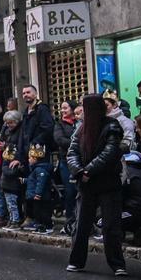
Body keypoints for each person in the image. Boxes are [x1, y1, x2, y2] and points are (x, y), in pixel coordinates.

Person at [66, 94, 127, 275]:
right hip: (86, 184)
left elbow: (110, 152)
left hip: (107, 182)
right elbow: (72, 152)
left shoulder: (112, 126)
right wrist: (78, 171)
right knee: (82, 225)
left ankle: (117, 264)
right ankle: (76, 261)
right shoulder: (81, 130)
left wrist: (88, 171)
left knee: (110, 226)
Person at [52, 99, 79, 232]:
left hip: (80, 160)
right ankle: (70, 220)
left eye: (65, 108)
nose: (62, 111)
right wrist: (76, 143)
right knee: (70, 191)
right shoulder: (59, 125)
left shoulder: (79, 123)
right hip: (66, 161)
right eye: (61, 108)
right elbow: (60, 140)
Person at [22, 144, 53, 232]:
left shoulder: (40, 169)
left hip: (41, 197)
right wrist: (24, 180)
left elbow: (41, 182)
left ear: (35, 159)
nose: (28, 160)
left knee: (43, 213)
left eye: (30, 158)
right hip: (36, 196)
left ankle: (47, 227)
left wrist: (38, 194)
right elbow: (33, 180)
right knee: (37, 212)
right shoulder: (35, 169)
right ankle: (40, 226)